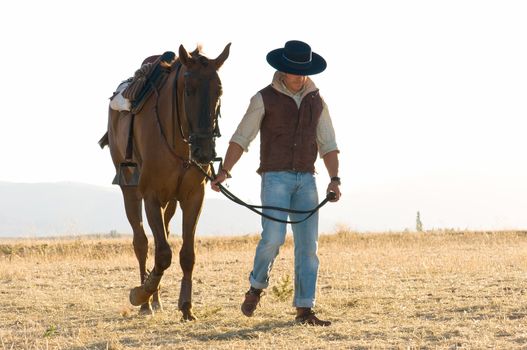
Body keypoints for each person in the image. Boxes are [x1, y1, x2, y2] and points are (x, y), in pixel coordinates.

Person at [211, 40, 341, 326]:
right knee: (273, 238)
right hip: (275, 178)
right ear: (282, 69)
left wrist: (334, 179)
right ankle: (256, 286)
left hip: (307, 180)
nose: (298, 76)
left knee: (308, 247)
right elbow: (242, 137)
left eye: (302, 71)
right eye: (293, 70)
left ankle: (304, 310)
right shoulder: (263, 98)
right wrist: (225, 171)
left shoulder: (316, 100)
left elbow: (328, 143)